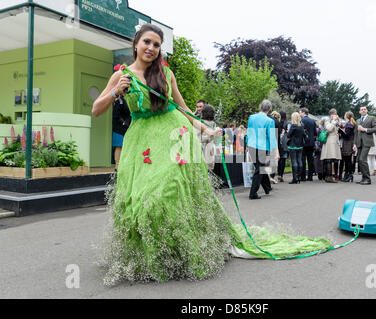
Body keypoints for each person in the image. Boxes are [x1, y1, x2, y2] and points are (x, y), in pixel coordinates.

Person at [91, 24, 332, 284]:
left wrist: (206, 128)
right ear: (136, 42)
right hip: (140, 143)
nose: (151, 48)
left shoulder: (165, 73)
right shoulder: (121, 75)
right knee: (140, 200)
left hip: (173, 138)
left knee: (169, 192)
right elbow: (96, 109)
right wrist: (116, 91)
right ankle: (148, 254)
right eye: (147, 42)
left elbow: (182, 108)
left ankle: (178, 251)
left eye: (156, 44)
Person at [246, 100, 280, 199]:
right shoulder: (270, 121)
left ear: (260, 107)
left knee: (259, 167)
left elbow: (249, 132)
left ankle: (267, 187)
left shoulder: (251, 117)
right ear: (270, 109)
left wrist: (247, 144)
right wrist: (276, 152)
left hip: (251, 145)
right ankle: (253, 193)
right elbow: (272, 138)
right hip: (262, 147)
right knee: (259, 169)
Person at [353, 106, 376, 185]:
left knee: (362, 159)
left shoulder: (372, 118)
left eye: (364, 109)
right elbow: (356, 133)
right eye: (361, 109)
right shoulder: (357, 120)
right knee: (360, 161)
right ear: (359, 111)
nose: (363, 110)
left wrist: (365, 129)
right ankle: (363, 178)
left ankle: (367, 179)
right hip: (359, 143)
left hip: (367, 142)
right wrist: (354, 144)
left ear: (367, 110)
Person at [320, 109, 342, 183]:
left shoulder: (334, 121)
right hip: (329, 142)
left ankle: (330, 176)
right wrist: (333, 121)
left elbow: (340, 127)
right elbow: (329, 128)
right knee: (329, 159)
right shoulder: (327, 120)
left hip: (335, 142)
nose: (336, 116)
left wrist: (338, 120)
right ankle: (328, 176)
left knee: (333, 159)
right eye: (335, 114)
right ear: (332, 114)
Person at [286, 112, 306, 184]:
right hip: (300, 145)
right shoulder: (301, 126)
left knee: (294, 161)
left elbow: (288, 136)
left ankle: (295, 178)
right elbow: (304, 135)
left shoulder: (293, 126)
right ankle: (299, 177)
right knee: (299, 160)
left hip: (293, 145)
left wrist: (288, 132)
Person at [112, 97, 131, 170]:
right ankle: (117, 166)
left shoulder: (129, 100)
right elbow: (116, 115)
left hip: (128, 127)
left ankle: (125, 165)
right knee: (119, 146)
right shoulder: (119, 101)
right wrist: (123, 122)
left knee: (127, 146)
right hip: (119, 128)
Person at [197, 104, 217, 171]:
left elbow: (198, 138)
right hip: (210, 150)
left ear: (203, 113)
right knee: (208, 171)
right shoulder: (213, 124)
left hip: (201, 151)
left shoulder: (200, 123)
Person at [299, 108, 317, 181]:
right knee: (310, 160)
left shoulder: (301, 120)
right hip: (311, 143)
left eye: (300, 112)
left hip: (303, 142)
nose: (299, 114)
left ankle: (303, 176)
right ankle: (310, 177)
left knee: (303, 159)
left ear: (303, 112)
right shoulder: (313, 121)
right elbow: (315, 133)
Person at [340, 111, 356, 183]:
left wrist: (340, 132)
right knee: (347, 160)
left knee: (347, 160)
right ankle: (348, 175)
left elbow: (347, 135)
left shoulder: (349, 124)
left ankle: (348, 175)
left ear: (346, 116)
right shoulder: (349, 123)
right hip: (348, 142)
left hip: (348, 143)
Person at [268, 110, 281, 184]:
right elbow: (277, 135)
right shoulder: (276, 121)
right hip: (274, 143)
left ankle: (267, 177)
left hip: (265, 144)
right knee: (273, 161)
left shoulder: (265, 119)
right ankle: (271, 177)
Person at [277, 110, 289, 182]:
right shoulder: (287, 123)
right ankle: (281, 175)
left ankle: (278, 173)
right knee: (283, 159)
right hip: (285, 143)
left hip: (278, 142)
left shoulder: (278, 123)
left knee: (278, 159)